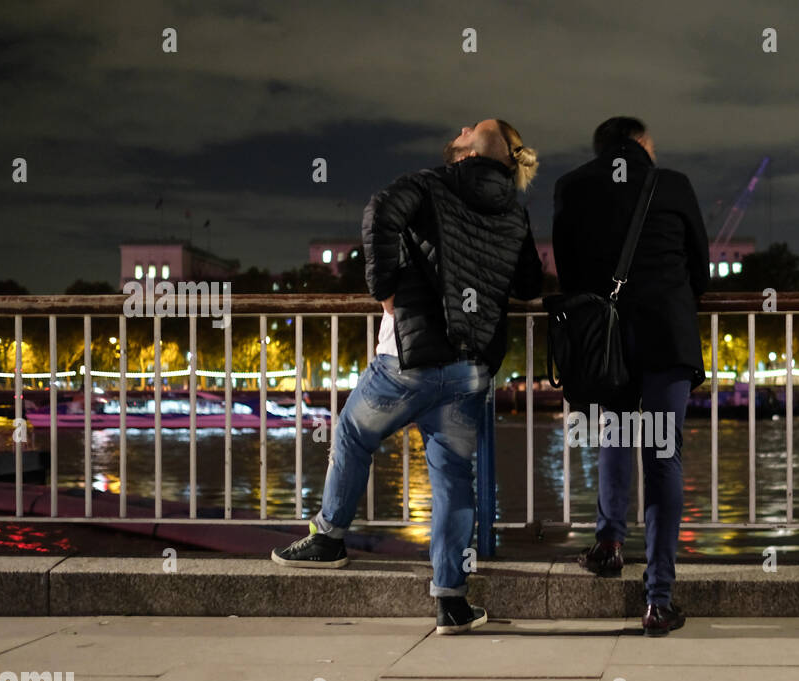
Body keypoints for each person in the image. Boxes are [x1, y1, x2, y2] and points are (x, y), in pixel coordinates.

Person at [272, 119, 543, 634]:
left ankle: (328, 538)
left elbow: (378, 212)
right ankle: (451, 601)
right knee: (452, 480)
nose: (461, 127)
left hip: (408, 359)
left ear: (473, 149)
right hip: (470, 369)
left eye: (471, 127)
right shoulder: (514, 210)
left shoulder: (431, 182)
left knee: (352, 434)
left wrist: (385, 290)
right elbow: (529, 283)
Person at [552, 116, 709, 636]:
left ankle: (609, 543)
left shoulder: (570, 187)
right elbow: (701, 271)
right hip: (666, 338)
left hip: (605, 344)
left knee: (614, 436)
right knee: (663, 458)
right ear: (642, 144)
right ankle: (658, 601)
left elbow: (569, 274)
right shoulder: (674, 185)